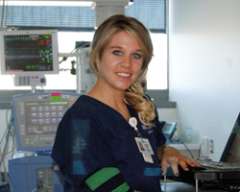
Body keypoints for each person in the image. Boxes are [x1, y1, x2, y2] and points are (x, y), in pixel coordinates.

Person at [51, 14, 199, 192]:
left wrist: (167, 152)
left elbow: (152, 149)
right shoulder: (81, 120)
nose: (127, 64)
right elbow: (100, 182)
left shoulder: (140, 107)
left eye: (136, 55)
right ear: (98, 56)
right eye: (117, 52)